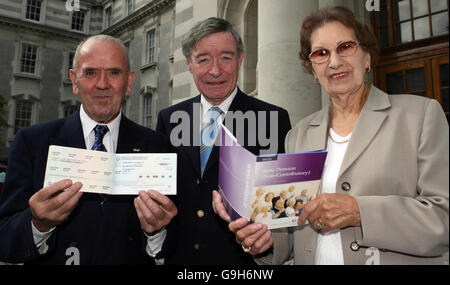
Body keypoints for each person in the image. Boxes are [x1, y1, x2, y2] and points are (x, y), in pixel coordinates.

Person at [213, 6, 449, 264]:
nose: (334, 62)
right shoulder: (298, 135)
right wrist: (262, 241)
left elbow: (442, 218)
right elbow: (289, 230)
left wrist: (359, 212)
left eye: (346, 47)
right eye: (321, 53)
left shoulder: (419, 116)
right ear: (313, 70)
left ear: (367, 57)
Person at [0, 35, 177, 264]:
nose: (102, 84)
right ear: (74, 80)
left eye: (114, 73)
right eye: (91, 73)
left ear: (129, 82)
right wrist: (38, 225)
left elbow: (173, 238)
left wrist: (156, 232)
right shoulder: (32, 143)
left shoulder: (156, 146)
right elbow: (4, 237)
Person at [156, 17, 291, 265]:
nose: (215, 70)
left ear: (240, 60)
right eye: (203, 59)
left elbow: (279, 209)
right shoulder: (170, 119)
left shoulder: (273, 119)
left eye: (226, 58)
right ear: (189, 64)